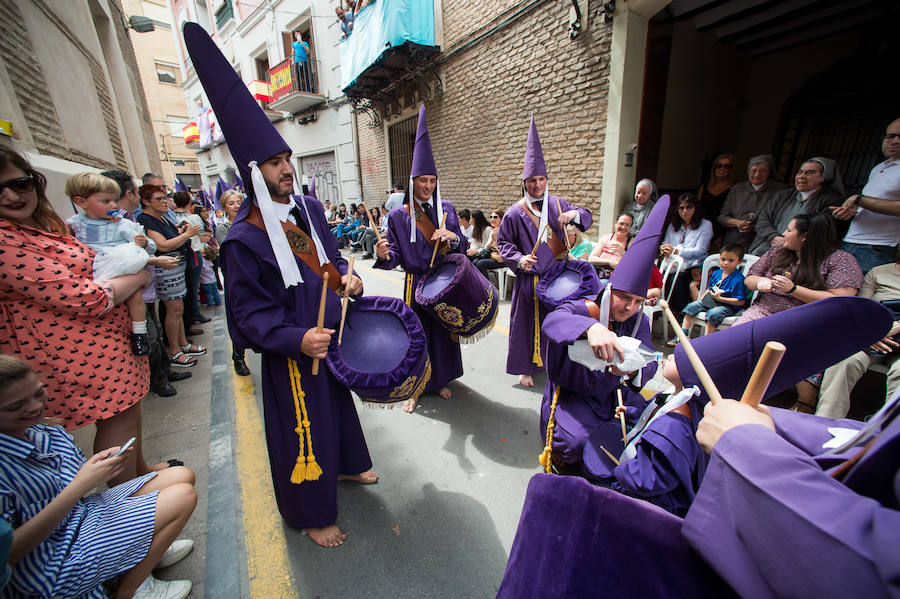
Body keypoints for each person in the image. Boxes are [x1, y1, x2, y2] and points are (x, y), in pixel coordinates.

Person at [185, 22, 375, 547]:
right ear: (253, 173)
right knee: (303, 431)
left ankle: (349, 465)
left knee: (338, 408)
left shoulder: (310, 207)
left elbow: (333, 260)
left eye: (288, 158)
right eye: (275, 163)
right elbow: (246, 318)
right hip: (294, 351)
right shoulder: (243, 240)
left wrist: (349, 280)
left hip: (330, 335)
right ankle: (312, 514)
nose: (288, 168)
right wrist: (296, 339)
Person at [0, 147, 163, 486]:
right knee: (116, 420)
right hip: (74, 352)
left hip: (106, 342)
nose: (12, 195)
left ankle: (142, 475)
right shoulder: (6, 240)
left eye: (21, 183)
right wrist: (137, 277)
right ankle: (131, 512)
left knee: (129, 411)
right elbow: (83, 297)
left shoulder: (41, 225)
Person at [0, 355, 197, 599]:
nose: (34, 406)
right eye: (14, 406)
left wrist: (98, 468)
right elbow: (8, 553)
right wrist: (82, 483)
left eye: (39, 393)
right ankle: (127, 591)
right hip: (50, 564)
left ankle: (144, 554)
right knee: (182, 497)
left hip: (78, 518)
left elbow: (75, 482)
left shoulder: (42, 430)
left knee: (181, 475)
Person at [539, 195, 669, 473]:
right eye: (624, 298)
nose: (630, 308)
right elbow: (553, 322)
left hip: (614, 395)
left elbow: (649, 358)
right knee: (578, 445)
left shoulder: (637, 319)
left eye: (637, 301)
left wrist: (633, 373)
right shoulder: (586, 307)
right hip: (574, 395)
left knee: (646, 438)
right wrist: (592, 327)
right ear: (610, 289)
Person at [375, 104, 469, 409]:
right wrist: (383, 254)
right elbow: (395, 256)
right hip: (415, 281)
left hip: (443, 280)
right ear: (412, 179)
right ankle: (415, 388)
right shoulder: (398, 216)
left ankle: (439, 380)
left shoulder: (448, 209)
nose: (427, 187)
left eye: (432, 181)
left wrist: (453, 237)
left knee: (442, 333)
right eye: (422, 181)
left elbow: (463, 246)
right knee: (416, 335)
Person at [498, 116, 593, 388]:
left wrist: (573, 214)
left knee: (559, 318)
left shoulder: (557, 203)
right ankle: (525, 368)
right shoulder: (514, 212)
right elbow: (503, 244)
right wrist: (519, 259)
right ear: (524, 182)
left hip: (558, 275)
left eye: (541, 179)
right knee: (526, 323)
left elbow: (585, 216)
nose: (537, 185)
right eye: (532, 180)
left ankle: (557, 363)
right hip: (530, 277)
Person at [740, 213, 863, 412]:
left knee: (801, 348)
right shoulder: (778, 251)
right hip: (766, 310)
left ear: (804, 237)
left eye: (789, 230)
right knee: (740, 337)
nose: (784, 233)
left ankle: (805, 402)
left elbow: (842, 297)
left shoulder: (840, 260)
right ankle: (738, 387)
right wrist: (760, 283)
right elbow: (751, 276)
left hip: (810, 320)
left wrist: (794, 289)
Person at [101, 169, 188, 397]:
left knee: (155, 331)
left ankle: (164, 371)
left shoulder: (127, 220)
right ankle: (157, 380)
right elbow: (118, 256)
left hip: (145, 286)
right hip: (129, 288)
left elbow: (149, 245)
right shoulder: (108, 225)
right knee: (148, 334)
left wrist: (146, 251)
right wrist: (152, 258)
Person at [64, 173, 155, 356]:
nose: (113, 205)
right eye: (106, 201)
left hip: (120, 267)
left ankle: (140, 334)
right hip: (96, 272)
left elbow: (150, 246)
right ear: (81, 202)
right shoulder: (74, 224)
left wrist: (144, 243)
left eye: (114, 200)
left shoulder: (123, 224)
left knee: (135, 296)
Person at [817, 256, 900, 418]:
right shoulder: (880, 272)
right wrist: (873, 333)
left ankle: (887, 434)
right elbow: (859, 309)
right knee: (846, 360)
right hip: (872, 337)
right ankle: (825, 421)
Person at [137, 185, 205, 367]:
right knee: (173, 310)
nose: (165, 202)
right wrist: (187, 235)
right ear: (146, 202)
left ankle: (183, 344)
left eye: (165, 198)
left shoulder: (161, 218)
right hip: (166, 271)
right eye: (159, 199)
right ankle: (174, 351)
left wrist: (182, 233)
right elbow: (163, 246)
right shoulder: (146, 220)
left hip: (176, 269)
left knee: (178, 309)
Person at [831, 117, 900, 274]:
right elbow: (873, 203)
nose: (895, 141)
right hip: (851, 241)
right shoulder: (879, 167)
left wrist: (860, 199)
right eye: (890, 136)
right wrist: (849, 212)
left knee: (858, 297)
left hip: (879, 247)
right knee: (836, 293)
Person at [749, 157, 844, 256]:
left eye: (809, 172)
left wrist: (789, 242)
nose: (801, 176)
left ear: (822, 177)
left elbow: (820, 230)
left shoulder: (831, 200)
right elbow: (763, 219)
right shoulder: (783, 195)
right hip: (769, 245)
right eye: (800, 172)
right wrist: (773, 237)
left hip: (800, 253)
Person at [669, 243, 747, 344]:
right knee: (691, 307)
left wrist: (721, 299)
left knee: (713, 314)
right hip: (712, 301)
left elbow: (740, 301)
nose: (726, 263)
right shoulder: (716, 273)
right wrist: (702, 299)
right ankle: (683, 335)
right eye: (723, 259)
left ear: (739, 262)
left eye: (731, 260)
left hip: (727, 305)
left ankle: (706, 342)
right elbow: (710, 288)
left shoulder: (738, 279)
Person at [214, 190, 251, 377]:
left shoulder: (252, 223)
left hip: (254, 276)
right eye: (231, 203)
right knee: (239, 316)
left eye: (238, 202)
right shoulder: (223, 229)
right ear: (224, 207)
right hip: (235, 278)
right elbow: (232, 249)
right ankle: (239, 358)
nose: (236, 206)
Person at [717, 154, 786, 251]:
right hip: (734, 241)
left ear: (769, 172)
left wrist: (754, 227)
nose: (757, 174)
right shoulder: (737, 189)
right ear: (748, 171)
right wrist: (738, 223)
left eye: (762, 170)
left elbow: (780, 219)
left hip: (760, 242)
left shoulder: (779, 191)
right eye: (754, 170)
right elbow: (722, 216)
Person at [660, 193, 714, 312]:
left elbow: (701, 250)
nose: (685, 211)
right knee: (662, 276)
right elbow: (666, 242)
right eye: (681, 208)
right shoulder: (673, 225)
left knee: (678, 279)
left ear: (695, 208)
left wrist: (676, 251)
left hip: (693, 266)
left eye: (688, 207)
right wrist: (664, 249)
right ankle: (662, 312)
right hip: (673, 264)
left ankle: (680, 313)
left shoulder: (705, 225)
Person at [172, 191, 210, 328]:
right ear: (189, 203)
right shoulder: (194, 218)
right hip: (194, 253)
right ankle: (194, 313)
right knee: (193, 287)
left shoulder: (171, 217)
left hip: (180, 254)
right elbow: (201, 235)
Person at [697, 153, 736, 240]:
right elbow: (697, 209)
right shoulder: (704, 187)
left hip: (723, 231)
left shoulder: (735, 189)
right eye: (719, 165)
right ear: (714, 168)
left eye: (726, 166)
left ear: (731, 169)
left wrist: (722, 236)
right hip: (702, 229)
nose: (722, 169)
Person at [588, 212, 632, 282]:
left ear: (630, 228)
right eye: (621, 223)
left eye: (627, 225)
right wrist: (609, 262)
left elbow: (633, 264)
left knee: (603, 283)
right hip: (597, 273)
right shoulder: (606, 238)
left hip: (615, 277)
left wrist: (623, 253)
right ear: (616, 223)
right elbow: (591, 258)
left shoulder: (631, 242)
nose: (623, 227)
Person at [473, 207, 507, 279]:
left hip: (503, 259)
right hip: (494, 256)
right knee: (474, 262)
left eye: (495, 217)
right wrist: (492, 240)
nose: (492, 219)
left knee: (480, 264)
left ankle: (487, 287)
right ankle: (480, 285)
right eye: (491, 217)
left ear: (501, 219)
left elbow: (504, 249)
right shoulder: (493, 230)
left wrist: (496, 239)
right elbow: (486, 247)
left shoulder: (505, 231)